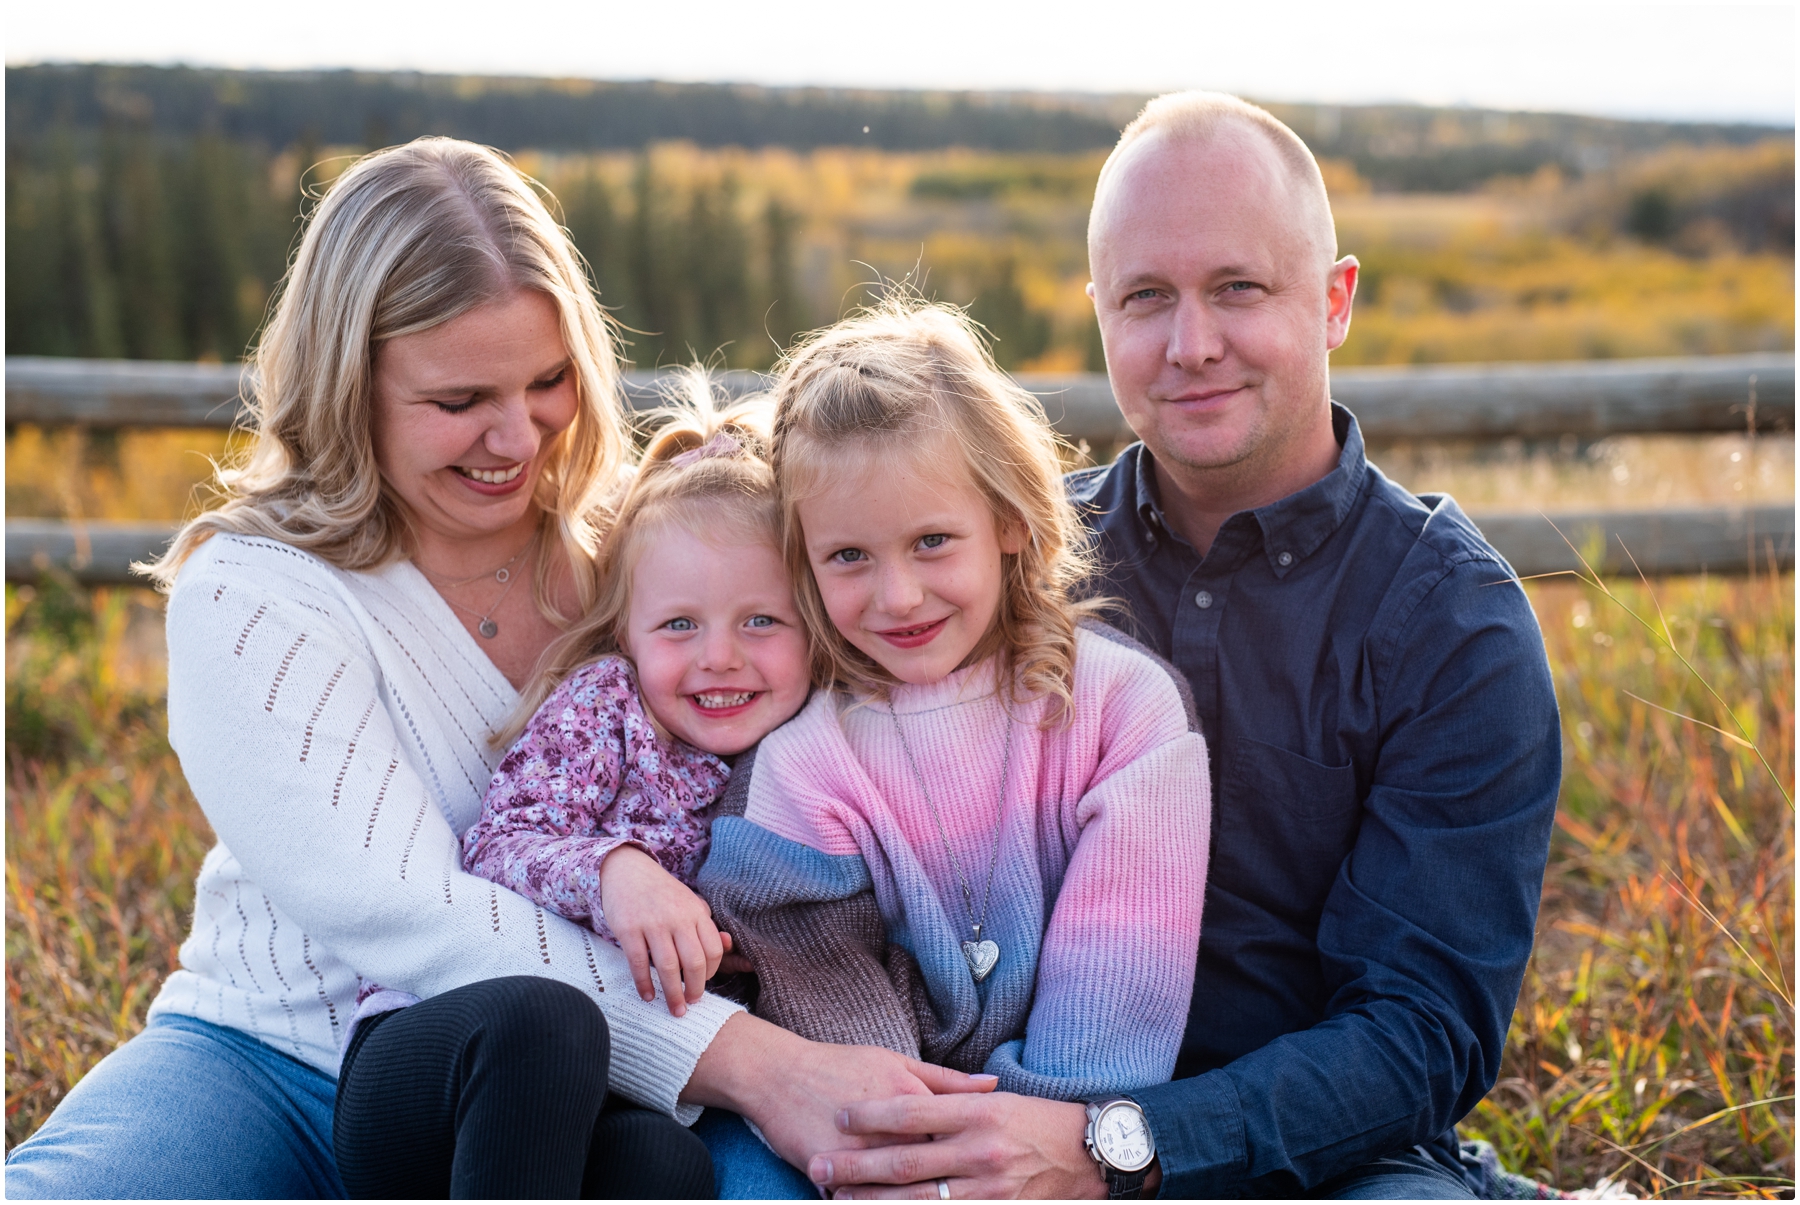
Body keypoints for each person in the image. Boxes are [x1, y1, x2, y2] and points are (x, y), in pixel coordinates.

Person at [3, 137, 986, 1201]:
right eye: (460, 399)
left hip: (614, 1092)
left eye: (548, 380)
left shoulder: (640, 565)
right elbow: (408, 909)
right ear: (348, 387)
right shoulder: (253, 596)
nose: (516, 437)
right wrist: (758, 1063)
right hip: (271, 1062)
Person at [800, 93, 1560, 1200]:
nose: (1191, 345)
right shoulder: (995, 567)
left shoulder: (1452, 624)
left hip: (1331, 1164)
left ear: (1335, 300)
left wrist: (1112, 1146)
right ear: (1100, 312)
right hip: (992, 1115)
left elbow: (1421, 1032)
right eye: (1146, 296)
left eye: (1238, 288)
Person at [693, 302, 1210, 1156]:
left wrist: (1037, 1141)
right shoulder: (802, 762)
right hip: (868, 1141)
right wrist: (916, 1156)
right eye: (849, 556)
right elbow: (826, 1004)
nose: (898, 596)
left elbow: (1120, 985)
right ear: (802, 561)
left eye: (932, 540)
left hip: (1069, 1140)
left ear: (1010, 518)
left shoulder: (1121, 707)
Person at [330, 387, 814, 1196]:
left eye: (761, 621)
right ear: (627, 631)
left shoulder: (799, 756)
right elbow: (495, 847)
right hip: (443, 1064)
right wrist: (616, 872)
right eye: (680, 625)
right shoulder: (609, 707)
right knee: (552, 1023)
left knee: (668, 1165)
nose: (720, 657)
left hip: (605, 1096)